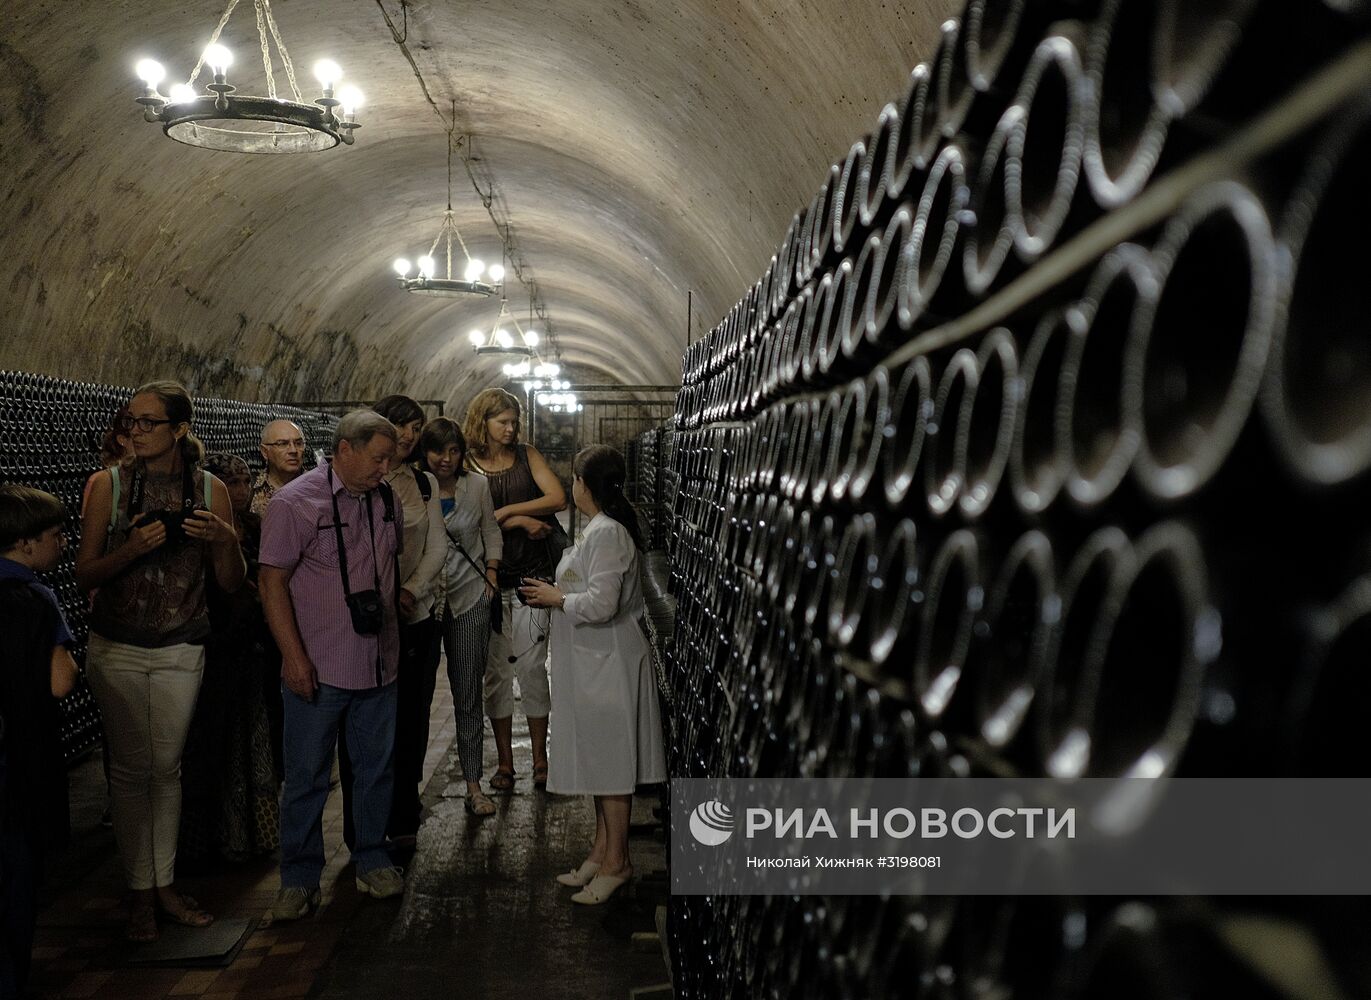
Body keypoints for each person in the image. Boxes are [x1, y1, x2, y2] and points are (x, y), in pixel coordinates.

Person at [75, 380, 246, 943]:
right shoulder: (108, 485)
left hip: (180, 643)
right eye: (131, 421)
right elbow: (85, 574)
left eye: (149, 422)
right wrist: (131, 550)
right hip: (118, 644)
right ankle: (140, 892)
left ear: (178, 429)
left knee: (165, 768)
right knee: (129, 769)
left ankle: (161, 884)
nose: (136, 432)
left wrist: (224, 540)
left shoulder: (210, 489)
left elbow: (230, 583)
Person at [259, 410, 406, 922]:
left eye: (390, 459)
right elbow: (272, 582)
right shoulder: (295, 504)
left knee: (374, 770)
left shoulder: (386, 500)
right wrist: (293, 657)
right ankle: (298, 878)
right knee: (306, 778)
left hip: (377, 664)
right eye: (378, 457)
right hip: (317, 665)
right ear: (345, 449)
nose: (385, 468)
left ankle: (371, 857)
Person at [520, 445, 666, 906]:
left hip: (609, 663)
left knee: (613, 767)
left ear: (587, 484)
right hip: (592, 662)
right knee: (602, 764)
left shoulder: (608, 534)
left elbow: (602, 604)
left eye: (576, 479)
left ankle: (618, 863)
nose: (573, 486)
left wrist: (555, 598)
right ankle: (601, 852)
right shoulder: (600, 529)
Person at [336, 396, 445, 850]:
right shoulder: (358, 483)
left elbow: (436, 546)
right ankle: (360, 828)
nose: (409, 436)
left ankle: (403, 812)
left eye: (416, 428)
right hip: (363, 622)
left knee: (412, 721)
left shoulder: (422, 483)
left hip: (413, 616)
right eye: (401, 426)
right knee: (363, 727)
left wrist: (409, 591)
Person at [178, 454, 281, 865]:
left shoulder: (257, 526)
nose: (239, 492)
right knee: (209, 745)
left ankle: (248, 836)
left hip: (251, 645)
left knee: (251, 740)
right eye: (230, 484)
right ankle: (206, 842)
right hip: (212, 643)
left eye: (243, 482)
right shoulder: (199, 533)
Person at [462, 389, 567, 791]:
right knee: (496, 674)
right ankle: (506, 763)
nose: (510, 428)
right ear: (482, 422)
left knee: (531, 670)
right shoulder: (467, 463)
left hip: (531, 576)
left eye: (513, 421)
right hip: (486, 580)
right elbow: (470, 523)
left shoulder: (526, 455)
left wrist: (508, 512)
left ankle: (541, 759)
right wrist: (521, 521)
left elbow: (556, 497)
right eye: (501, 421)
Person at [0, 486, 78, 996]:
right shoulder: (36, 598)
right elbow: (60, 681)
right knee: (13, 882)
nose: (65, 542)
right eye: (55, 534)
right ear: (27, 544)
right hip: (17, 765)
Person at [417, 418, 501, 817]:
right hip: (421, 604)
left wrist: (492, 575)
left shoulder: (478, 486)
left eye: (454, 451)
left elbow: (491, 530)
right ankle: (407, 793)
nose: (446, 459)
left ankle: (473, 783)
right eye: (439, 451)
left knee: (468, 694)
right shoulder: (412, 486)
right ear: (424, 451)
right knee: (415, 701)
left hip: (469, 597)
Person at [252, 419, 307, 517]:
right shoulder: (249, 491)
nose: (293, 450)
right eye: (283, 444)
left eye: (298, 443)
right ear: (265, 452)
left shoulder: (319, 486)